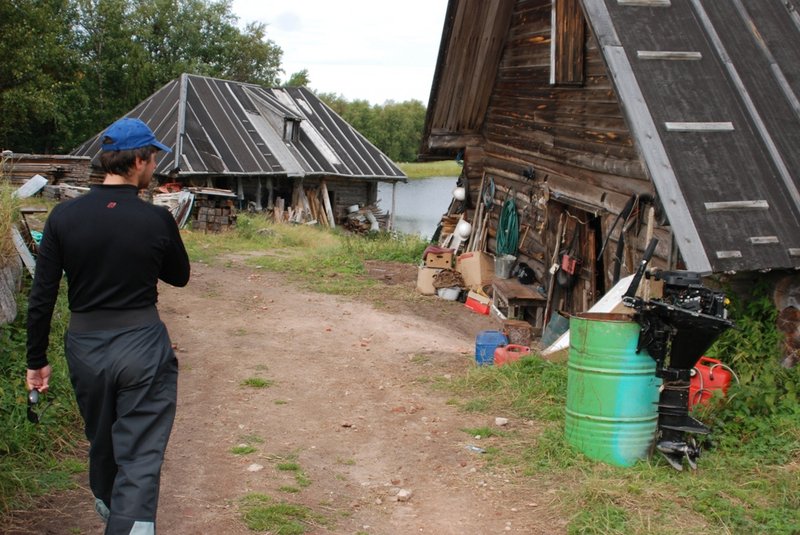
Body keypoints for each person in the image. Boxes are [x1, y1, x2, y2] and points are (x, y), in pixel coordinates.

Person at [26, 117, 190, 534]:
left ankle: (107, 500)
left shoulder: (64, 216)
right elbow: (179, 275)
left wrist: (36, 361)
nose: (155, 168)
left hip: (85, 347)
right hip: (141, 345)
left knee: (101, 438)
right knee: (140, 453)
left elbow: (42, 295)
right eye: (153, 159)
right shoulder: (156, 219)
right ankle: (126, 520)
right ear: (137, 161)